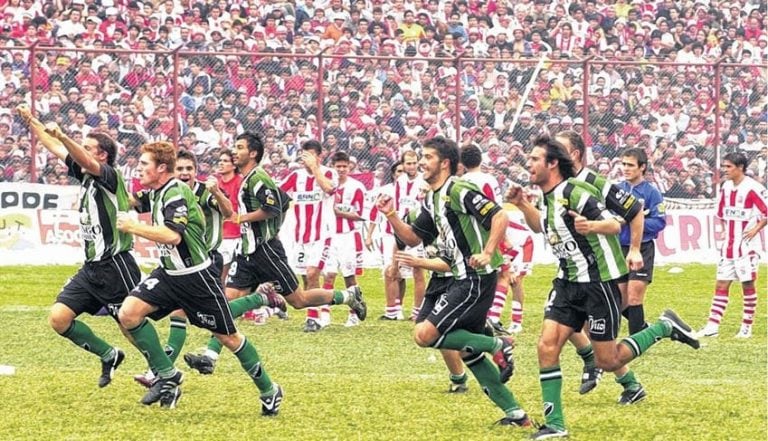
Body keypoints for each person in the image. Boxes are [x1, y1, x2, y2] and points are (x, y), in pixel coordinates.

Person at [506, 136, 700, 439]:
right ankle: (555, 425)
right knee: (546, 346)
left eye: (534, 159)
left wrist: (592, 227)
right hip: (567, 281)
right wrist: (522, 204)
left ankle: (663, 327)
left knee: (607, 361)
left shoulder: (578, 190)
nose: (527, 163)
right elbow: (540, 226)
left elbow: (614, 223)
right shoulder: (545, 194)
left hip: (599, 282)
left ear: (553, 163)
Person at [116, 140, 283, 412]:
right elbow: (132, 199)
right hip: (170, 274)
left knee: (229, 337)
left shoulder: (176, 193)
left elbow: (172, 235)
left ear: (161, 168)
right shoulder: (157, 192)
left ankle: (269, 390)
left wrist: (133, 227)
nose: (140, 168)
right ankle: (166, 374)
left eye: (144, 164)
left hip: (196, 278)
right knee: (128, 314)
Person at [376, 136, 529, 426]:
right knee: (467, 352)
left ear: (445, 163)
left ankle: (498, 343)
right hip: (456, 276)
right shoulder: (433, 197)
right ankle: (516, 414)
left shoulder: (458, 189)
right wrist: (392, 215)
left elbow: (499, 217)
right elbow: (412, 238)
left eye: (428, 157)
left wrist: (486, 252)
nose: (422, 161)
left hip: (473, 277)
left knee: (424, 335)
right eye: (421, 156)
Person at [183, 133, 366, 374]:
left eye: (239, 148)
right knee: (227, 301)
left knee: (298, 300)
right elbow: (283, 199)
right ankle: (209, 356)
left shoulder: (258, 177)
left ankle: (348, 296)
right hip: (247, 252)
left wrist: (243, 218)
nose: (234, 152)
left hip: (266, 250)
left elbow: (272, 207)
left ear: (253, 153)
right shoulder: (249, 178)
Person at [17, 105, 141, 389]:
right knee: (59, 318)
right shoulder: (83, 171)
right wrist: (32, 121)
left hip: (115, 264)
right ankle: (109, 355)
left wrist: (63, 135)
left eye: (88, 147)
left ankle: (162, 372)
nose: (81, 151)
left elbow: (70, 149)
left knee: (130, 325)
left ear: (102, 155)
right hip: (91, 267)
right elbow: (53, 147)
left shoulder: (108, 175)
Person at [554, 130, 646, 399]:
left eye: (558, 149)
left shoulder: (594, 182)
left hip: (602, 268)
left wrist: (636, 249)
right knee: (566, 323)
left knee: (592, 331)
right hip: (573, 268)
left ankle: (660, 331)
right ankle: (624, 380)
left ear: (574, 154)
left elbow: (634, 210)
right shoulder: (556, 183)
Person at [132, 149, 234, 387]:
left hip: (205, 261)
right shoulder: (163, 191)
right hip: (178, 263)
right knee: (181, 314)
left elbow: (229, 213)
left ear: (195, 171)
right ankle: (161, 372)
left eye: (189, 169)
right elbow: (135, 200)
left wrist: (217, 191)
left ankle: (161, 371)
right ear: (171, 170)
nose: (185, 173)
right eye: (180, 168)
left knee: (215, 319)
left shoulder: (202, 191)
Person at [279, 139, 357, 332]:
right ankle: (324, 310)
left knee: (314, 273)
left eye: (311, 155)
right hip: (300, 237)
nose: (306, 159)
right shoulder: (295, 176)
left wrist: (315, 169)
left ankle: (313, 319)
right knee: (306, 278)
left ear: (319, 156)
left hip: (322, 235)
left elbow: (330, 189)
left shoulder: (329, 173)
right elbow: (278, 195)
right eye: (304, 155)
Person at [699, 152, 767, 338]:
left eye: (728, 167)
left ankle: (746, 327)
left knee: (747, 285)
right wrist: (723, 229)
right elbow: (720, 213)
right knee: (721, 283)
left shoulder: (753, 188)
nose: (725, 170)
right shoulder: (726, 187)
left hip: (747, 246)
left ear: (740, 168)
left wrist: (756, 229)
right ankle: (712, 326)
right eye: (724, 166)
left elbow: (766, 211)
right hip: (728, 246)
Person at [618, 148, 667, 334]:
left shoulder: (652, 193)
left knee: (634, 296)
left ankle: (635, 340)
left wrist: (636, 223)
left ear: (642, 167)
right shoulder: (616, 190)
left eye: (630, 165)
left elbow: (660, 222)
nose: (625, 168)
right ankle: (647, 331)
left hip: (642, 249)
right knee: (619, 299)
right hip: (618, 249)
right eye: (623, 164)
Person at [320, 151, 367, 327]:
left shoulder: (357, 188)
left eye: (344, 166)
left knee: (349, 276)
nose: (341, 169)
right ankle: (325, 314)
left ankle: (354, 313)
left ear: (349, 167)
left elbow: (361, 214)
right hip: (329, 236)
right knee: (329, 275)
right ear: (333, 167)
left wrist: (339, 213)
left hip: (348, 237)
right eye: (338, 166)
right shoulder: (326, 186)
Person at [216, 150, 243, 284]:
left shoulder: (241, 182)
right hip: (223, 236)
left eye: (225, 161)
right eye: (220, 160)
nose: (221, 163)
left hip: (239, 235)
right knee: (220, 275)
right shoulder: (215, 184)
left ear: (234, 166)